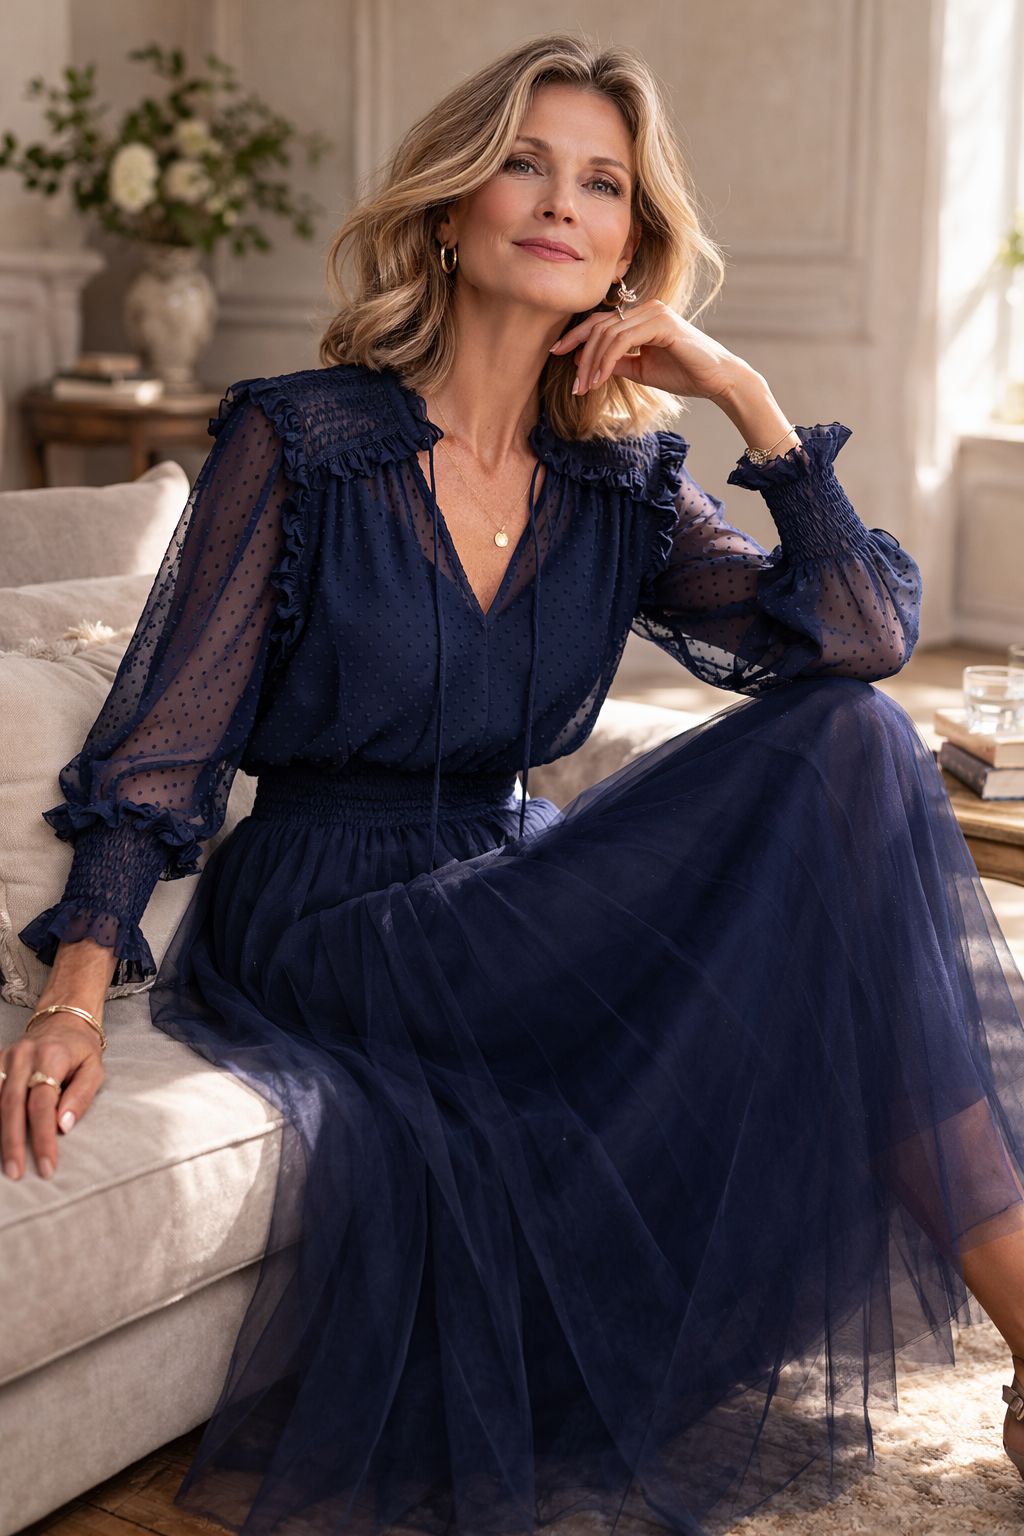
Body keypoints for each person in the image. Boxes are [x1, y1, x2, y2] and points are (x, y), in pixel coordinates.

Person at [5, 29, 1024, 1535]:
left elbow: (860, 644)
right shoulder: (300, 439)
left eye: (603, 182)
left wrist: (742, 395)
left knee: (857, 748)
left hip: (510, 882)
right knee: (839, 843)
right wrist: (76, 989)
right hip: (332, 913)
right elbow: (162, 743)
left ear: (632, 244)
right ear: (449, 208)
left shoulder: (620, 480)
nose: (562, 201)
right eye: (527, 165)